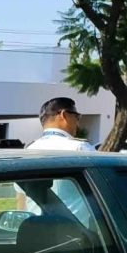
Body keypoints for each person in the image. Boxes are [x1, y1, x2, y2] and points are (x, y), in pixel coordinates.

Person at [23, 97, 95, 226]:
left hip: (37, 231)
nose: (78, 124)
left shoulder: (28, 150)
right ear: (63, 115)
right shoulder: (80, 149)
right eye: (77, 117)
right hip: (76, 234)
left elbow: (21, 197)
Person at [27, 97, 96, 152]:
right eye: (76, 116)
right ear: (64, 115)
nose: (77, 123)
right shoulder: (80, 148)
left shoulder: (29, 149)